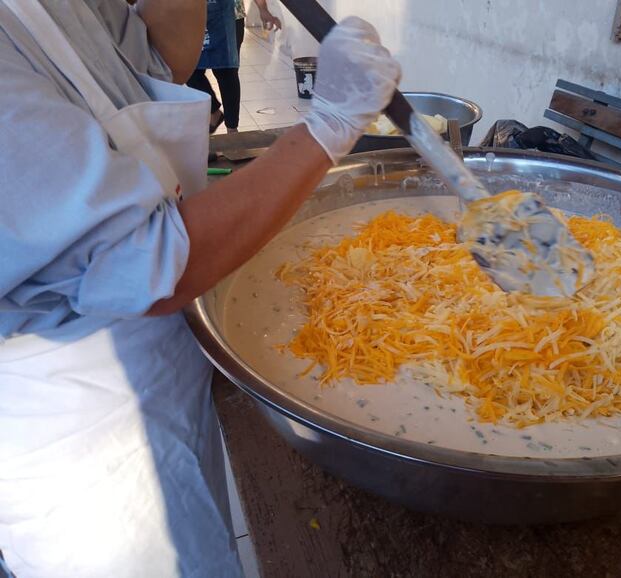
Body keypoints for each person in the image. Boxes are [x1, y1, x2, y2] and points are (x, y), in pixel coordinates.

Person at [0, 1, 400, 576]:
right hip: (76, 437)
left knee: (210, 546)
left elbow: (163, 63)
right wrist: (329, 125)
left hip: (164, 365)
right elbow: (146, 263)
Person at [187, 0, 240, 133]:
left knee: (226, 72)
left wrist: (263, 9)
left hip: (224, 16)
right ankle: (214, 111)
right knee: (189, 72)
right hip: (192, 15)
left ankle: (232, 128)